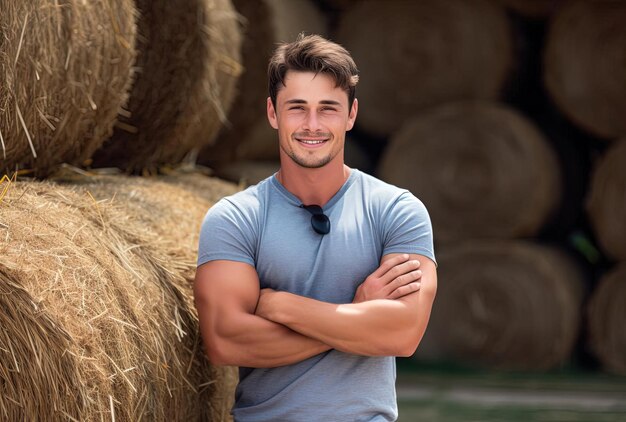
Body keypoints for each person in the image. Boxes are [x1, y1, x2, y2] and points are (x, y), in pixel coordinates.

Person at [194, 33, 437, 421]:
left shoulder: (397, 210)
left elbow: (402, 334)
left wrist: (280, 305)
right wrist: (356, 313)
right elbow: (227, 341)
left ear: (351, 115)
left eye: (328, 108)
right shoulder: (235, 218)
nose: (312, 125)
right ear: (273, 113)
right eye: (297, 108)